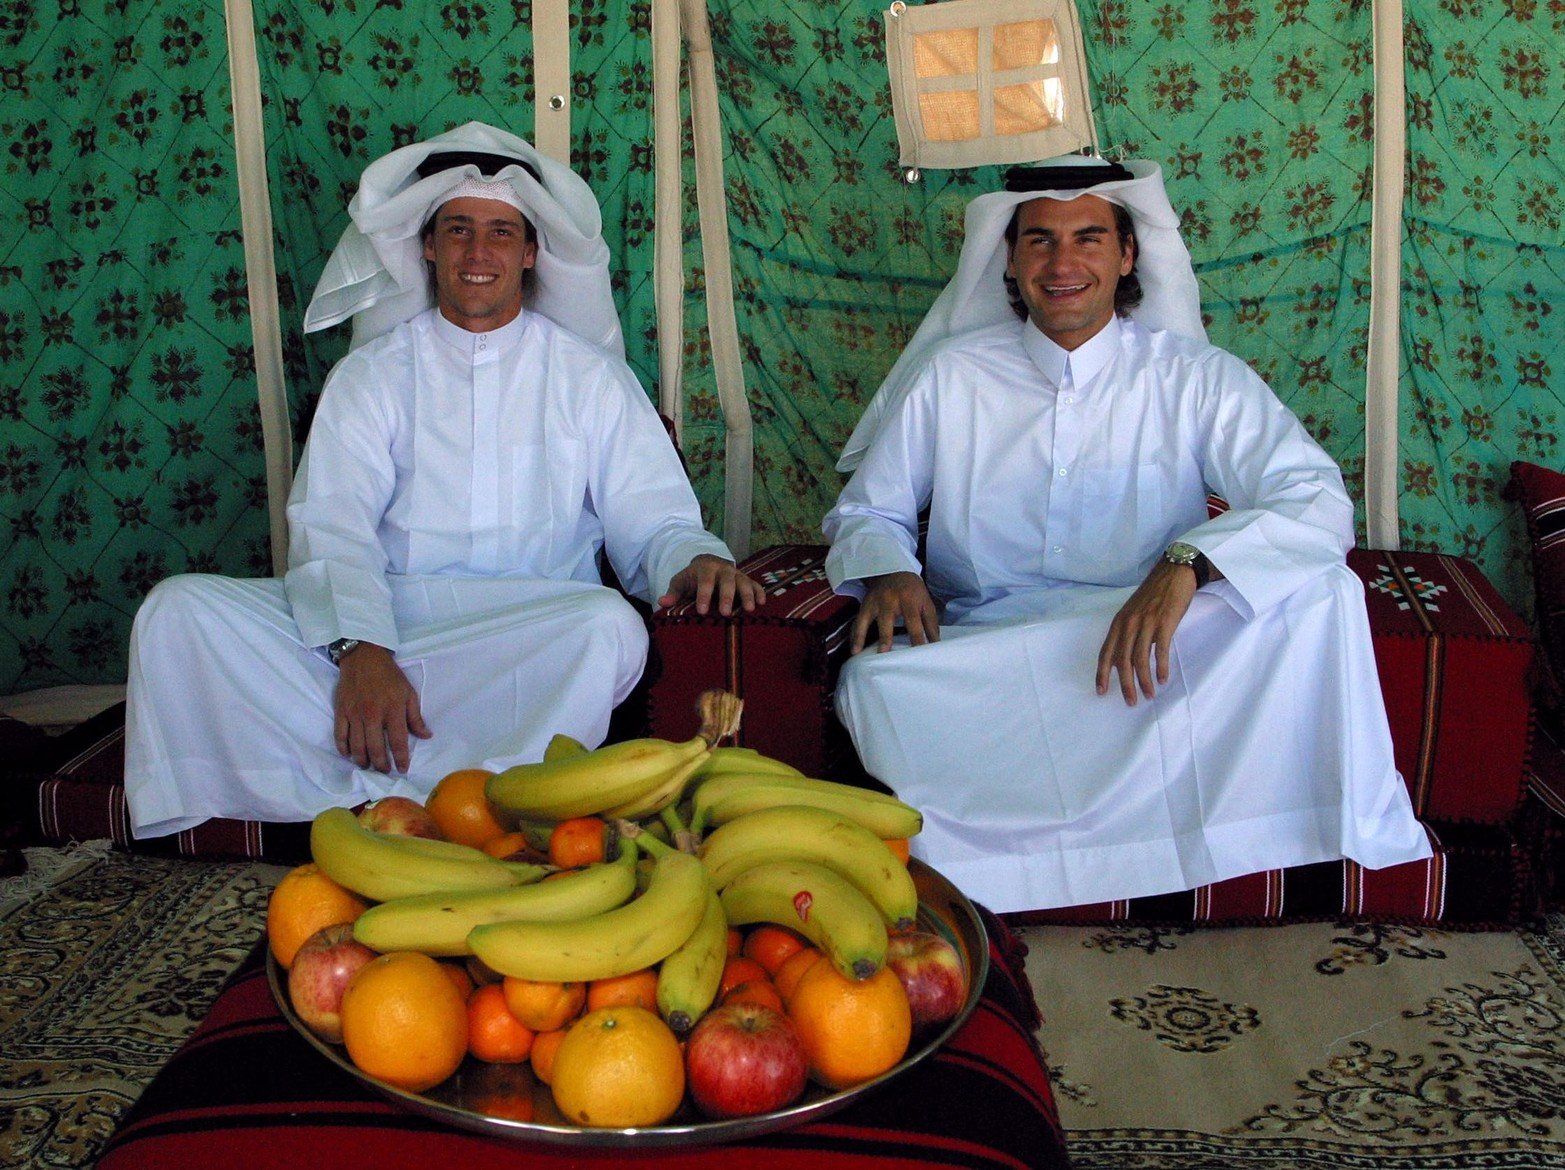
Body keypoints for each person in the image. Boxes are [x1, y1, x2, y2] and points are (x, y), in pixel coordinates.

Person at [822, 156, 1431, 914]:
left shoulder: (1194, 375)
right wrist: (887, 569)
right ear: (1008, 260)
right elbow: (865, 512)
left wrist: (1188, 566)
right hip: (994, 649)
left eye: (1088, 237)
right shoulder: (951, 375)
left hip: (1152, 645)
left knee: (1322, 591)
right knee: (875, 684)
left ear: (1127, 254)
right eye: (1039, 240)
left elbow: (1313, 499)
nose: (1063, 262)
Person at [124, 122, 760, 839]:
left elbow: (652, 515)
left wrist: (695, 557)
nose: (478, 252)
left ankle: (481, 807)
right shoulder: (369, 375)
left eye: (499, 233)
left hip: (522, 633)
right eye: (458, 230)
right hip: (386, 619)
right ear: (427, 247)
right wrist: (361, 650)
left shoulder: (591, 379)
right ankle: (391, 782)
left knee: (606, 627)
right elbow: (332, 523)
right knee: (178, 611)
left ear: (529, 254)